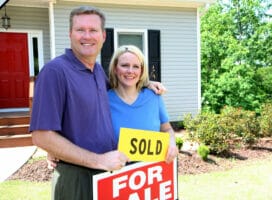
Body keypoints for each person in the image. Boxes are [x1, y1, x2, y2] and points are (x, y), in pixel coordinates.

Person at [30, 6, 165, 200]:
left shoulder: (98, 73)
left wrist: (145, 83)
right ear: (70, 34)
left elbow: (122, 86)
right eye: (80, 30)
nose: (87, 36)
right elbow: (41, 136)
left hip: (106, 176)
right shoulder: (55, 72)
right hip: (77, 179)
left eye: (93, 30)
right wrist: (99, 160)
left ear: (103, 36)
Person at [108, 45, 178, 164]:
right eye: (124, 65)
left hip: (151, 174)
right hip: (116, 176)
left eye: (136, 66)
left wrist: (171, 144)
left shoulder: (154, 96)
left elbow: (167, 129)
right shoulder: (103, 100)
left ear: (141, 71)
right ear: (115, 68)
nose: (130, 71)